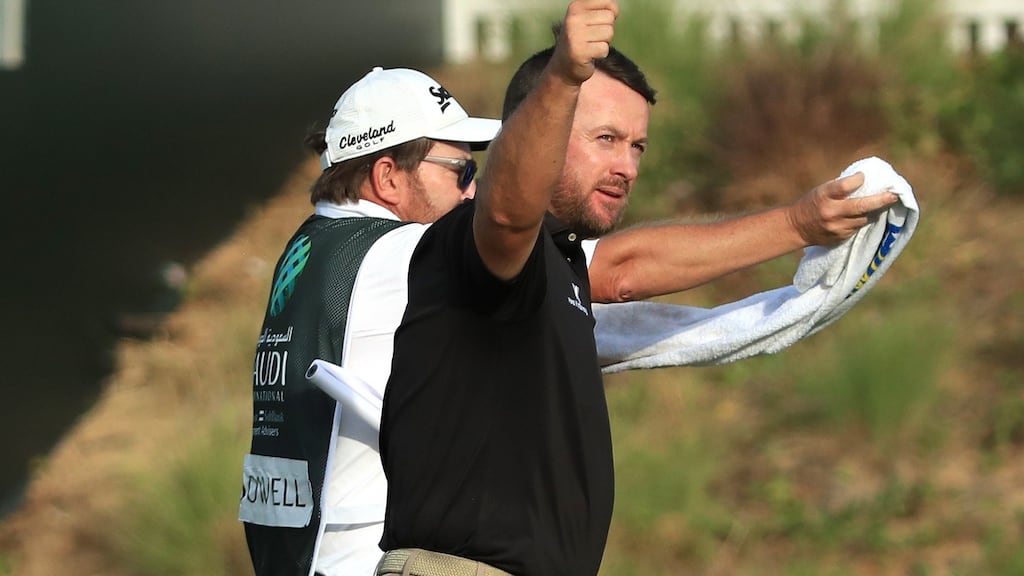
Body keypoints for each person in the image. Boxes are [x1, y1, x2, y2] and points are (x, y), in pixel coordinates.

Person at [377, 2, 899, 576]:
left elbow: (629, 269)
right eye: (606, 138)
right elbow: (505, 213)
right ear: (540, 131)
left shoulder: (558, 258)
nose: (627, 166)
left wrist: (800, 225)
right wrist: (562, 78)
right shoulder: (476, 244)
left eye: (637, 146)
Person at [239, 65, 502, 576]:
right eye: (461, 172)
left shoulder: (310, 241)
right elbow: (604, 276)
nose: (472, 193)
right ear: (387, 177)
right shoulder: (396, 254)